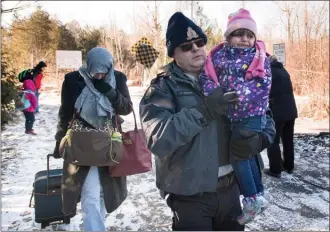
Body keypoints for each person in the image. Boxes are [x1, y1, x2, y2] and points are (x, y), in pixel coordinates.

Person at [139, 12, 275, 231]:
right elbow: (158, 139)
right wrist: (204, 111)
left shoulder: (227, 72)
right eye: (186, 46)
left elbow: (266, 117)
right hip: (190, 197)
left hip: (231, 191)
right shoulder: (163, 88)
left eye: (199, 42)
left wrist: (259, 141)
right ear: (173, 53)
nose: (195, 49)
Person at [199, 8, 272, 225]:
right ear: (229, 37)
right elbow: (207, 76)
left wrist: (236, 95)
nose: (245, 39)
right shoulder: (218, 56)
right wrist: (215, 92)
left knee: (239, 156)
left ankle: (250, 198)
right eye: (239, 34)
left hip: (252, 113)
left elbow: (262, 85)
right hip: (233, 115)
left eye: (250, 35)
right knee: (246, 155)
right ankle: (257, 194)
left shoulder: (259, 57)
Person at [52, 47, 132, 231]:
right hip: (82, 145)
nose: (98, 76)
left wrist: (110, 92)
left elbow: (126, 108)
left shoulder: (118, 78)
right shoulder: (73, 80)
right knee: (90, 193)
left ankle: (96, 225)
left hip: (110, 144)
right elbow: (65, 113)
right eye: (94, 71)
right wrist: (59, 140)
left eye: (103, 72)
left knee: (106, 192)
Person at [265, 55, 298, 178]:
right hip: (291, 111)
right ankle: (289, 166)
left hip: (277, 111)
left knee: (273, 140)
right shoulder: (284, 71)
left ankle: (275, 169)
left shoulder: (269, 72)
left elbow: (265, 91)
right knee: (288, 140)